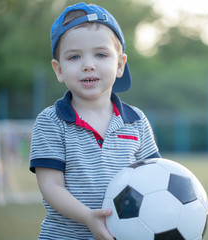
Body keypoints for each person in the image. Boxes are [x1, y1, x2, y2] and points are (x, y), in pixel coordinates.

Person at [29, 3, 161, 239]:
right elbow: (51, 187)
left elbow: (155, 178)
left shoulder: (137, 121)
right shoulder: (50, 122)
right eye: (74, 56)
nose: (88, 64)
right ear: (58, 70)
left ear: (120, 64)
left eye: (100, 54)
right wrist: (88, 217)